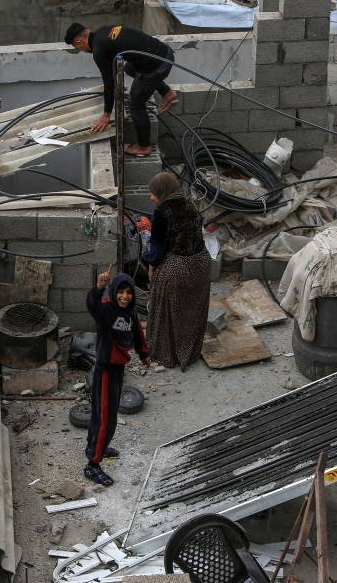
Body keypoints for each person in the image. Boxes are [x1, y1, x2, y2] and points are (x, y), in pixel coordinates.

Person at [64, 23, 178, 158]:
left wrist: (106, 115)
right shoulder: (103, 31)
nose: (81, 50)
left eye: (78, 48)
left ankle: (143, 147)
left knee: (135, 103)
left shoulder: (98, 49)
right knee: (129, 68)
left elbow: (109, 82)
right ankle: (167, 92)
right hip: (164, 52)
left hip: (159, 65)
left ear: (79, 41)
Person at [83, 267, 150, 486]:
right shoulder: (106, 310)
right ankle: (93, 464)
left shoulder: (130, 312)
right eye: (120, 292)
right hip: (105, 370)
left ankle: (95, 447)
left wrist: (143, 354)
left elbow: (138, 334)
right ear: (113, 292)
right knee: (106, 419)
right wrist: (99, 288)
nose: (125, 296)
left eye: (128, 292)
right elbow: (92, 304)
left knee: (103, 415)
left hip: (118, 369)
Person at [145, 171, 211, 370]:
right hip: (201, 264)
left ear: (162, 193)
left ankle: (168, 355)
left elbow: (157, 248)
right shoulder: (191, 205)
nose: (151, 197)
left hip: (178, 268)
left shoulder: (161, 212)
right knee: (191, 311)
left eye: (153, 193)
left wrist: (151, 266)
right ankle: (189, 352)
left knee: (166, 311)